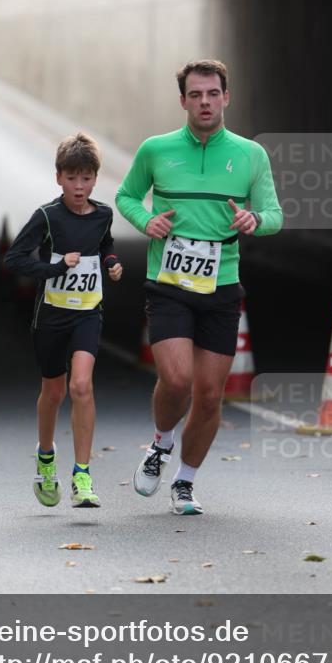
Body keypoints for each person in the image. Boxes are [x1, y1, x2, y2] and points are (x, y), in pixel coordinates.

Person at [116, 59, 283, 515]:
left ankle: (185, 482)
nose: (205, 102)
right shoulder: (156, 149)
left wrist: (256, 220)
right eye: (196, 95)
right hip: (167, 282)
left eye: (213, 94)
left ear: (226, 97)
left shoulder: (250, 154)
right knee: (177, 378)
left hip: (222, 286)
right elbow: (126, 196)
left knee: (210, 394)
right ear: (183, 100)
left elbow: (274, 214)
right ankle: (160, 444)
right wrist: (145, 220)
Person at [4, 133, 123, 508]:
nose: (79, 186)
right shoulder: (47, 216)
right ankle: (45, 457)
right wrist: (55, 267)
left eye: (86, 178)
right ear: (59, 178)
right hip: (51, 316)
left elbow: (104, 244)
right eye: (72, 178)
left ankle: (82, 475)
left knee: (82, 386)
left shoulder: (103, 214)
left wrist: (110, 263)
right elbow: (14, 259)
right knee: (53, 392)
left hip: (88, 312)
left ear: (95, 179)